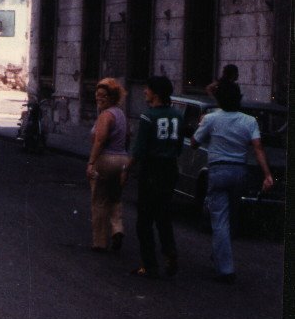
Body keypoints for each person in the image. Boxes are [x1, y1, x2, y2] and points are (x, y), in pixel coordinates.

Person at [192, 81, 273, 284]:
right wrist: (267, 174)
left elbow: (194, 143)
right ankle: (220, 253)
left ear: (219, 99)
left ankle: (225, 268)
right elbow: (258, 148)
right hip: (239, 171)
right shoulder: (249, 121)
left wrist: (201, 125)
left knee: (219, 218)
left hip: (218, 170)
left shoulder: (211, 118)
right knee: (231, 215)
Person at [125, 76, 183, 279]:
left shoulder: (148, 116)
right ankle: (170, 252)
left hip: (151, 170)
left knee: (144, 220)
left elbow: (139, 149)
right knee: (164, 215)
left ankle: (149, 265)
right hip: (170, 169)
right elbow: (179, 146)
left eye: (147, 90)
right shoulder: (178, 116)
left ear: (156, 94)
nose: (144, 92)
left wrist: (127, 169)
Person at [86, 78, 130, 253]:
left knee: (99, 201)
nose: (99, 99)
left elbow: (100, 140)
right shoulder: (121, 114)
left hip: (105, 160)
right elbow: (128, 138)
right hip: (121, 160)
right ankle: (117, 229)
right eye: (97, 96)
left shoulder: (106, 115)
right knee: (115, 198)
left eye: (103, 96)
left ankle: (99, 242)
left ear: (112, 97)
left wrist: (91, 162)